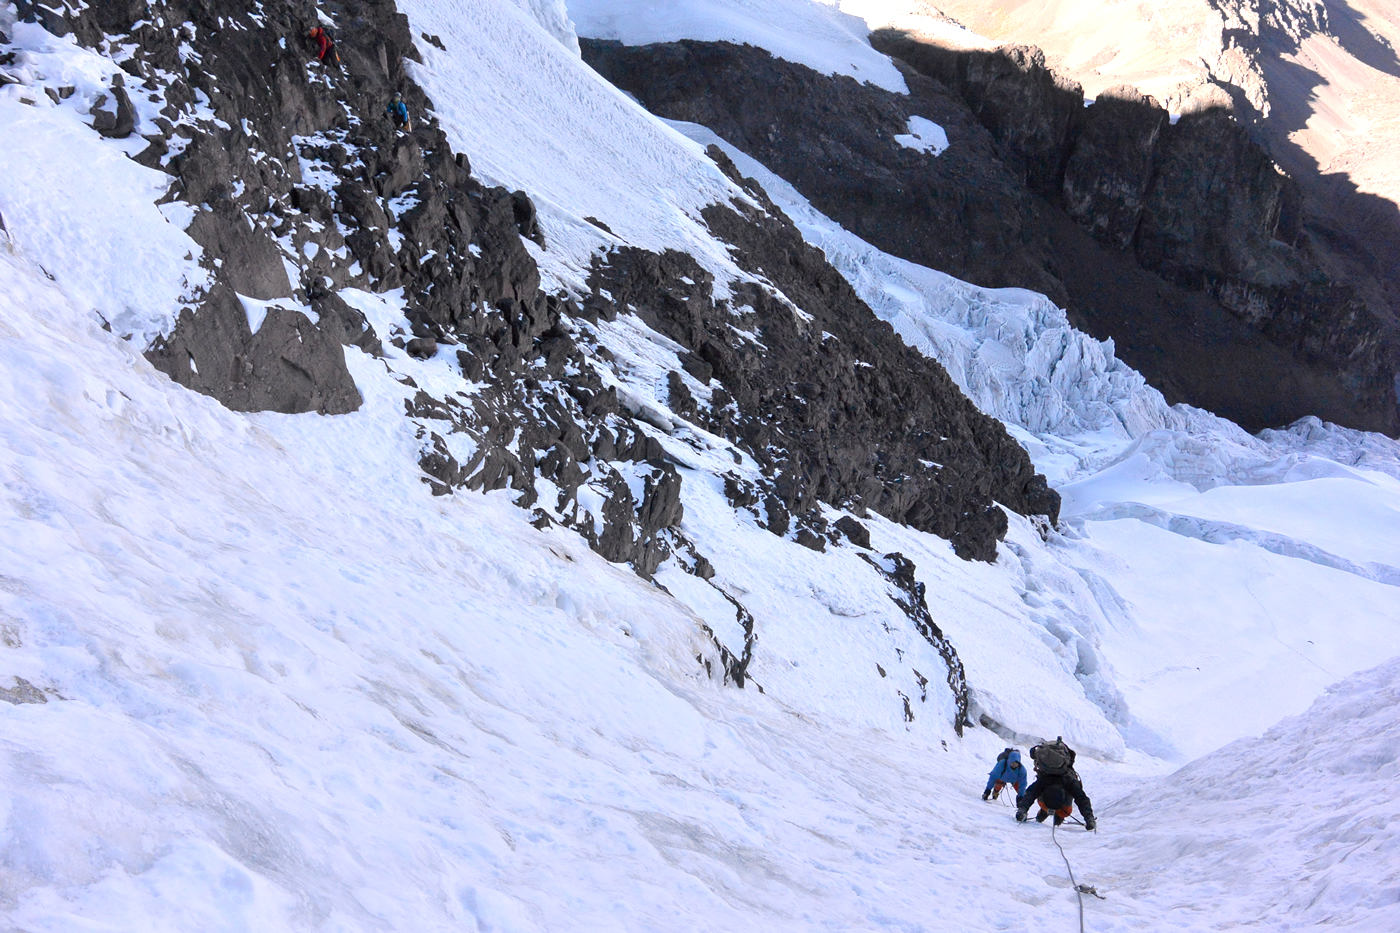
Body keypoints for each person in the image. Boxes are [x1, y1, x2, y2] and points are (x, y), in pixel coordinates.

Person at [1015, 736, 1096, 831]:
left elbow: (1031, 794)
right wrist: (1089, 818)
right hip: (1064, 809)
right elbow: (1081, 798)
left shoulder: (1044, 779)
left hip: (1044, 804)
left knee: (1041, 800)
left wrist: (1022, 810)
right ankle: (1057, 820)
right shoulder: (1068, 779)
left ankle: (1042, 814)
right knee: (1064, 811)